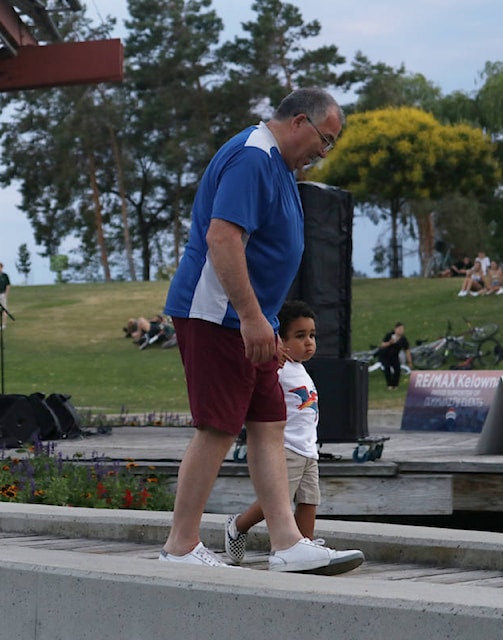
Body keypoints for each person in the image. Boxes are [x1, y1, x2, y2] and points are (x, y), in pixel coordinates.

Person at [159, 87, 363, 574]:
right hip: (218, 316)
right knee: (217, 427)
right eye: (325, 139)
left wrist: (263, 321)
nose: (323, 151)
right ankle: (180, 546)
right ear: (299, 121)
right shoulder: (253, 158)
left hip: (253, 322)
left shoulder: (279, 166)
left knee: (270, 423)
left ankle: (287, 542)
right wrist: (252, 317)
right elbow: (222, 237)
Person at [225, 301, 322, 564]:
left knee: (309, 500)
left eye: (312, 335)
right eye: (300, 336)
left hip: (309, 450)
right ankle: (239, 525)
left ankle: (307, 545)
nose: (309, 342)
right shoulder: (277, 370)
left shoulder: (300, 369)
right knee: (276, 501)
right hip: (287, 449)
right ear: (281, 340)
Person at [377, 322, 413, 390]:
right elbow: (382, 344)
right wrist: (389, 343)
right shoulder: (389, 335)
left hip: (394, 355)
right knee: (387, 368)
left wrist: (410, 362)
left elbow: (407, 350)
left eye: (402, 329)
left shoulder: (403, 339)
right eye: (399, 329)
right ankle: (389, 385)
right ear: (395, 329)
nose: (401, 330)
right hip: (385, 354)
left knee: (397, 368)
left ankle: (395, 385)